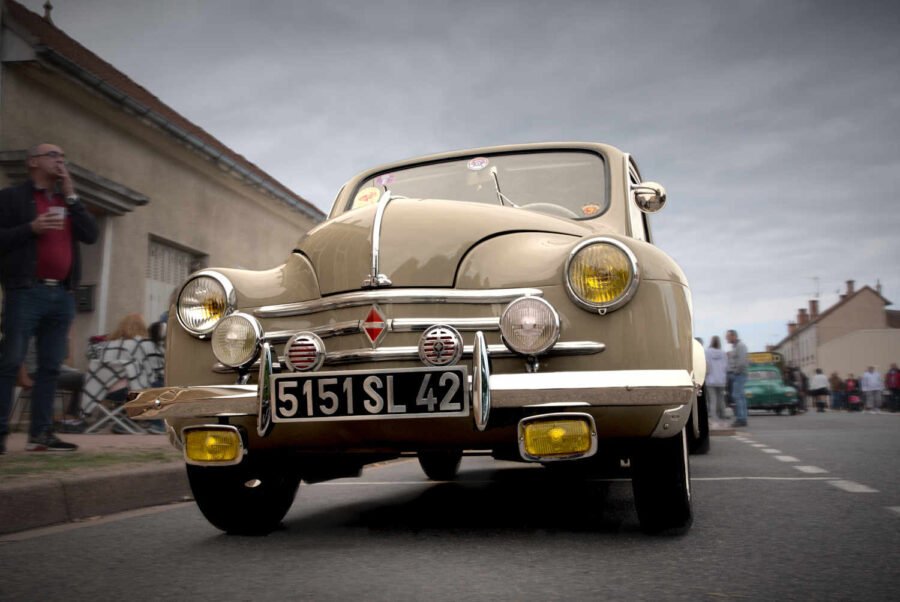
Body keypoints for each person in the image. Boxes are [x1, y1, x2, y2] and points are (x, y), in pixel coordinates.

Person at [0, 143, 98, 454]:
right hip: (25, 290)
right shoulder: (11, 198)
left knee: (51, 367)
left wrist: (72, 195)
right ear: (33, 162)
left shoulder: (66, 202)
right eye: (53, 155)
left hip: (62, 294)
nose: (60, 160)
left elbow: (91, 234)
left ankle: (41, 434)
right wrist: (31, 227)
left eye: (62, 156)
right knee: (11, 361)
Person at [84, 313, 165, 434]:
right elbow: (156, 370)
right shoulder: (145, 344)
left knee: (135, 380)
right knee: (160, 383)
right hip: (131, 392)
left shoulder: (106, 345)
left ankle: (123, 423)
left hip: (102, 391)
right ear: (143, 327)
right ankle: (156, 424)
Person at [726, 329, 749, 427]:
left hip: (739, 375)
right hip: (737, 374)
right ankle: (742, 418)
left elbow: (742, 361)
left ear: (733, 336)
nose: (727, 339)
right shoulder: (736, 347)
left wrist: (736, 372)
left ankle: (741, 418)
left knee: (737, 396)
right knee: (740, 396)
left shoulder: (740, 346)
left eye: (728, 337)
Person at [704, 335, 728, 425]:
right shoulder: (723, 353)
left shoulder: (707, 352)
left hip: (711, 379)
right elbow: (726, 366)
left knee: (712, 399)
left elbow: (706, 365)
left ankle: (714, 417)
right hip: (721, 379)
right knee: (721, 399)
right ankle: (722, 415)